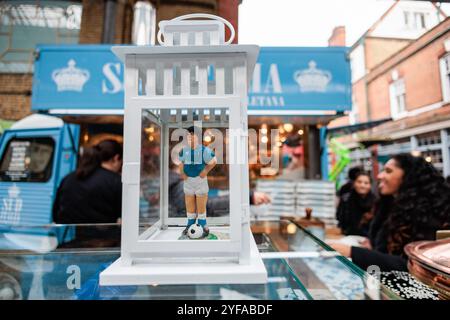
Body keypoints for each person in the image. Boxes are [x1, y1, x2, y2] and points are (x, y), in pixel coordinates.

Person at [330, 154, 450, 271]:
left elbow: (413, 266)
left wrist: (353, 252)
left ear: (408, 176)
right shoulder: (391, 206)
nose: (379, 176)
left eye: (388, 171)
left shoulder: (429, 214)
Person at [53, 139, 123, 224]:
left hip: (70, 236)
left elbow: (56, 214)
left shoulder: (68, 178)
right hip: (104, 236)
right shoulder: (115, 181)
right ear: (116, 158)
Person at [178, 126, 217, 237]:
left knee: (201, 203)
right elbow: (181, 163)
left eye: (192, 134)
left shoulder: (204, 150)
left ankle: (202, 223)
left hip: (200, 180)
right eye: (188, 135)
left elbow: (213, 161)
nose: (190, 137)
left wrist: (205, 171)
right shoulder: (184, 150)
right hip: (188, 181)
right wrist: (183, 174)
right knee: (189, 202)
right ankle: (190, 222)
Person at [336, 171, 376, 236]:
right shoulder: (346, 199)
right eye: (359, 182)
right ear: (354, 183)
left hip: (369, 238)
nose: (362, 185)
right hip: (349, 236)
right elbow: (339, 217)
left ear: (370, 185)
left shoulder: (375, 201)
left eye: (366, 183)